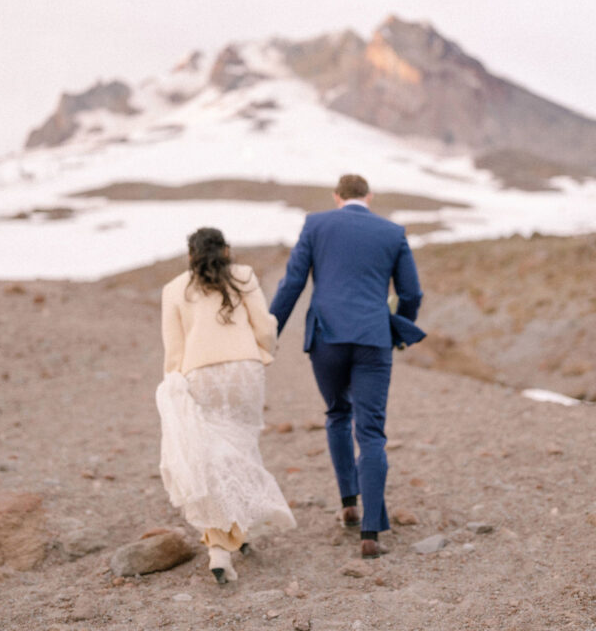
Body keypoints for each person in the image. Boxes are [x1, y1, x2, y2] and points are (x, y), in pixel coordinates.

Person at [269, 174, 423, 559]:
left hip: (327, 338)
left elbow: (292, 284)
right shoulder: (392, 232)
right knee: (371, 432)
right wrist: (400, 328)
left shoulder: (316, 224)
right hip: (373, 339)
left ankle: (349, 504)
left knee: (338, 413)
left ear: (337, 196)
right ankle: (370, 533)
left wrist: (268, 332)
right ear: (369, 196)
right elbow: (411, 292)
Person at [157, 227, 296, 584]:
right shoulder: (243, 275)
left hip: (200, 375)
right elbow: (263, 325)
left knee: (211, 456)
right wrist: (263, 353)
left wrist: (174, 384)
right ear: (227, 250)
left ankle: (220, 548)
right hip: (244, 371)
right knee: (242, 447)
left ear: (190, 256)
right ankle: (239, 533)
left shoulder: (173, 289)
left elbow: (174, 350)